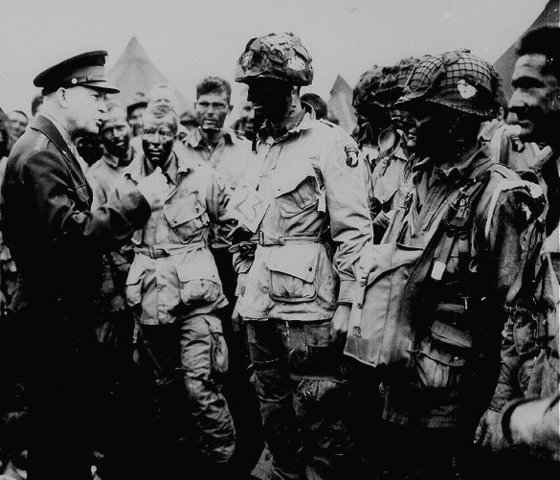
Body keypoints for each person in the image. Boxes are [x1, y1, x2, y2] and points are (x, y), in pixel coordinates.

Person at [344, 50, 542, 479]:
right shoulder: (417, 179)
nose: (409, 122)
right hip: (399, 384)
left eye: (422, 113)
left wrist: (497, 405)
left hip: (453, 404)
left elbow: (519, 315)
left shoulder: (500, 197)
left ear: (454, 122)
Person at [0, 50, 168, 480]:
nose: (104, 107)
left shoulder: (50, 147)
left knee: (66, 440)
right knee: (60, 443)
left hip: (60, 321)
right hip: (53, 327)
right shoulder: (39, 155)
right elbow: (70, 235)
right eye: (96, 96)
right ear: (62, 95)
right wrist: (139, 201)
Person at [230, 32, 372, 480]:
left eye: (263, 87)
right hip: (260, 305)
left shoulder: (331, 145)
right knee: (274, 416)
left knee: (320, 416)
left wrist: (348, 303)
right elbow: (247, 226)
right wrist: (243, 279)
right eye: (250, 87)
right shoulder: (261, 146)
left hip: (309, 309)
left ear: (293, 88)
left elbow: (354, 231)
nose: (252, 98)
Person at [114, 103, 237, 477]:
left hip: (196, 300)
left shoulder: (201, 176)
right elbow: (115, 241)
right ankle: (181, 464)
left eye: (164, 133)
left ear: (176, 135)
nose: (155, 141)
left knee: (202, 387)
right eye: (148, 132)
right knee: (166, 389)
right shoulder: (127, 182)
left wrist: (236, 272)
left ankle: (222, 462)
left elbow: (235, 224)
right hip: (149, 300)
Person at [476, 25, 560, 475]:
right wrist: (502, 401)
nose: (513, 103)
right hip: (536, 398)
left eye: (530, 86)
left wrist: (521, 421)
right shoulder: (538, 186)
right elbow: (522, 310)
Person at [184, 75, 260, 474]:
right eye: (204, 104)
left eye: (218, 105)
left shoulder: (245, 152)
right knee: (202, 356)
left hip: (233, 262)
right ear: (195, 106)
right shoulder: (179, 150)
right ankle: (208, 445)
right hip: (195, 264)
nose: (210, 112)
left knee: (238, 348)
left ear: (230, 109)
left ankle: (243, 445)